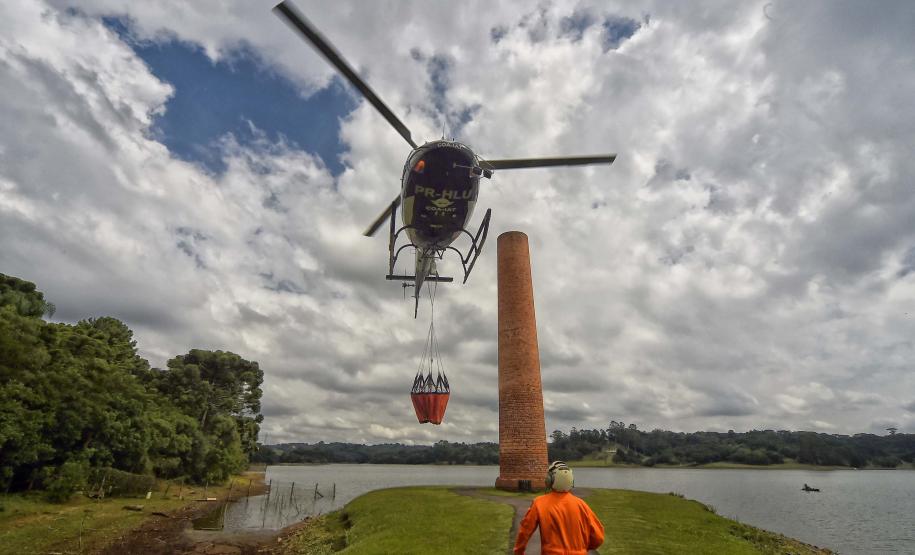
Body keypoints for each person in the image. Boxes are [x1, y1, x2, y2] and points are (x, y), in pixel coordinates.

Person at [513, 461, 604, 554]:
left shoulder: (539, 503)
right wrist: (584, 548)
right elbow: (598, 537)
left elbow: (525, 531)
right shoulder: (582, 504)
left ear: (550, 480)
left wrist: (519, 551)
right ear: (571, 480)